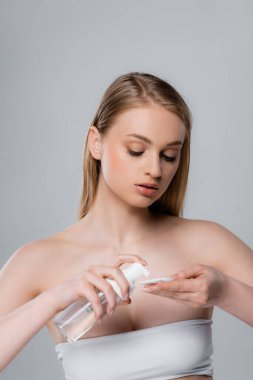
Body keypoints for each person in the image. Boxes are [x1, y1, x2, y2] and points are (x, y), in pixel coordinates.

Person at [0, 72, 252, 380]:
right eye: (136, 150)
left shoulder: (205, 242)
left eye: (169, 155)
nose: (155, 169)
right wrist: (53, 299)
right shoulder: (38, 261)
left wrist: (226, 292)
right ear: (96, 143)